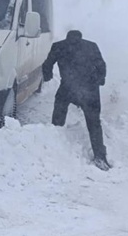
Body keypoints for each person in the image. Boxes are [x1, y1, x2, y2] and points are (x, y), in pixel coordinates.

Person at [42, 30, 110, 171]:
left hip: (68, 87)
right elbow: (101, 65)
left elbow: (47, 64)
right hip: (90, 89)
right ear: (81, 38)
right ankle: (100, 156)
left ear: (68, 37)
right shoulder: (91, 46)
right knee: (94, 123)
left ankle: (54, 142)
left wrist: (47, 76)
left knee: (59, 112)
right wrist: (100, 80)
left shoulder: (59, 46)